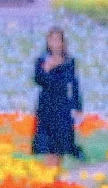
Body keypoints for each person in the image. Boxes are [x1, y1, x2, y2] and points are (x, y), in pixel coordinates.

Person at [28, 27, 85, 162]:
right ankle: (49, 176)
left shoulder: (69, 61)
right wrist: (47, 69)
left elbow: (74, 84)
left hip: (63, 105)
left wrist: (78, 107)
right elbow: (38, 80)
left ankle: (56, 177)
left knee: (61, 146)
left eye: (58, 40)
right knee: (49, 146)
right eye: (52, 40)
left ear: (63, 42)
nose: (55, 43)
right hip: (47, 105)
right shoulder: (42, 60)